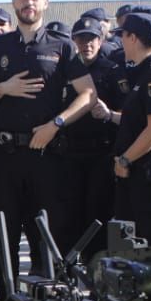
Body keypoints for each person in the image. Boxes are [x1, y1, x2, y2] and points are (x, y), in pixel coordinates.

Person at [0, 0, 96, 292]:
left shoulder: (62, 46)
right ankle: (8, 299)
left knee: (50, 232)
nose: (29, 2)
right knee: (5, 230)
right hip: (6, 156)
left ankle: (51, 300)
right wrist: (3, 88)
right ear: (14, 2)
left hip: (46, 154)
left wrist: (56, 125)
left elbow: (88, 95)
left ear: (46, 2)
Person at [55, 17, 124, 259]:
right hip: (70, 151)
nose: (87, 44)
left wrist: (109, 114)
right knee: (70, 211)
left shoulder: (112, 71)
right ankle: (70, 264)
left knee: (98, 211)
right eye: (82, 39)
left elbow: (128, 112)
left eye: (92, 39)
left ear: (101, 40)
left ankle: (96, 263)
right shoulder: (66, 70)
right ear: (74, 41)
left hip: (101, 152)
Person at [109, 13, 151, 242]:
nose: (121, 41)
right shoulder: (143, 70)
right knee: (129, 243)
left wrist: (125, 160)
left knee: (147, 244)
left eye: (123, 35)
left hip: (149, 175)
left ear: (133, 38)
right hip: (137, 172)